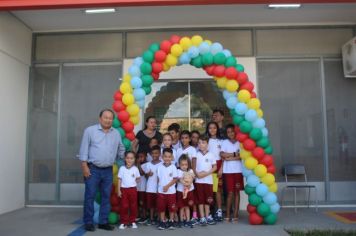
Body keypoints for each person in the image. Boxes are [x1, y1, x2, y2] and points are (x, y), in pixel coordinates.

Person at [79, 108, 125, 232]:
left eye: (110, 118)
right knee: (90, 196)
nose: (108, 120)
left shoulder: (115, 133)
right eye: (106, 117)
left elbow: (121, 148)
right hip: (92, 169)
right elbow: (83, 149)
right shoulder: (90, 131)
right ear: (100, 118)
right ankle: (88, 222)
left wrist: (121, 158)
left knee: (106, 196)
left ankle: (103, 222)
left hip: (108, 170)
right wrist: (84, 166)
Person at [220, 124, 244, 222]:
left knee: (237, 193)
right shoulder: (224, 142)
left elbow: (242, 156)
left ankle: (236, 214)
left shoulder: (240, 142)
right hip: (228, 171)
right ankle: (228, 214)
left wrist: (229, 158)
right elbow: (222, 155)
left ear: (236, 132)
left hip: (238, 171)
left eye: (232, 131)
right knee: (230, 193)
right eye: (228, 132)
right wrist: (234, 154)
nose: (230, 133)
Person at [193, 135, 217, 226]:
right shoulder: (195, 154)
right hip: (199, 181)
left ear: (207, 144)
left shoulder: (211, 155)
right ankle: (202, 217)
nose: (201, 144)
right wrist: (198, 174)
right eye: (199, 143)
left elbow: (215, 167)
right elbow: (193, 167)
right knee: (200, 200)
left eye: (203, 142)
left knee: (208, 200)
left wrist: (206, 174)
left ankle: (208, 216)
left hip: (208, 181)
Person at [205, 121, 223, 221]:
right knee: (208, 189)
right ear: (207, 129)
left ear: (217, 129)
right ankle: (209, 211)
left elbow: (223, 157)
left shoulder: (221, 141)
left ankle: (219, 210)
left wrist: (221, 168)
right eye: (210, 128)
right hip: (207, 166)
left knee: (217, 190)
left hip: (218, 165)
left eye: (214, 128)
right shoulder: (205, 140)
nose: (212, 130)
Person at [118, 151, 140, 229]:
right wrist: (119, 190)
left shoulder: (135, 169)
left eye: (131, 158)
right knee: (124, 206)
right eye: (127, 158)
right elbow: (119, 180)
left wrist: (137, 180)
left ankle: (132, 221)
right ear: (125, 159)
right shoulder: (122, 168)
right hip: (124, 190)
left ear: (134, 159)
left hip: (133, 190)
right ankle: (124, 222)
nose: (129, 160)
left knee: (133, 206)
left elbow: (138, 178)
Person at [156, 148, 178, 230]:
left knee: (171, 208)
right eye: (165, 156)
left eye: (169, 157)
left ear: (172, 157)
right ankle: (162, 221)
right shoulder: (159, 167)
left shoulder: (173, 167)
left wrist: (167, 186)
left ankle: (171, 221)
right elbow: (158, 179)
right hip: (161, 192)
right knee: (161, 208)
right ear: (162, 157)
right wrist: (158, 189)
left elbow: (175, 179)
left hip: (171, 192)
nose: (167, 158)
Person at [142, 145, 161, 225]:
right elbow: (145, 175)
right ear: (150, 154)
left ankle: (159, 218)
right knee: (151, 205)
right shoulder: (148, 164)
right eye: (153, 153)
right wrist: (148, 174)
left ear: (160, 154)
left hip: (158, 188)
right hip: (150, 188)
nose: (154, 155)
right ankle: (151, 218)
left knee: (158, 204)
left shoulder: (162, 164)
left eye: (156, 153)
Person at [176, 154, 195, 228]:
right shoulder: (178, 171)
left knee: (187, 206)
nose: (184, 166)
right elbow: (179, 179)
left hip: (189, 191)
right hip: (180, 191)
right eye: (182, 164)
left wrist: (189, 183)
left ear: (188, 164)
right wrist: (184, 183)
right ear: (179, 164)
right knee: (181, 206)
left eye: (186, 164)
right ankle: (181, 220)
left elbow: (193, 178)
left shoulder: (190, 170)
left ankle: (187, 220)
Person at [136, 151, 148, 224]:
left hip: (143, 188)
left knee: (142, 202)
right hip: (137, 187)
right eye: (138, 157)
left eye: (141, 157)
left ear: (145, 157)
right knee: (138, 202)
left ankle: (144, 216)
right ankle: (139, 215)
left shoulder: (146, 165)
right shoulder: (135, 165)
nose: (140, 159)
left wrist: (138, 164)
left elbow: (142, 173)